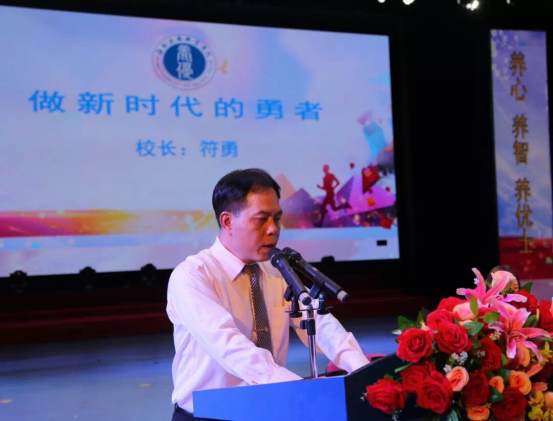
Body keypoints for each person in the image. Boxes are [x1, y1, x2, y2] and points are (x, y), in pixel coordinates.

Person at [167, 168, 369, 420]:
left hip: (268, 407)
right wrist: (300, 392)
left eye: (277, 218)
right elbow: (230, 347)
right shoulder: (193, 276)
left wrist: (363, 372)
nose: (273, 229)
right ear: (227, 222)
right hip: (209, 415)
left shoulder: (276, 270)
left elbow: (318, 322)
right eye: (261, 219)